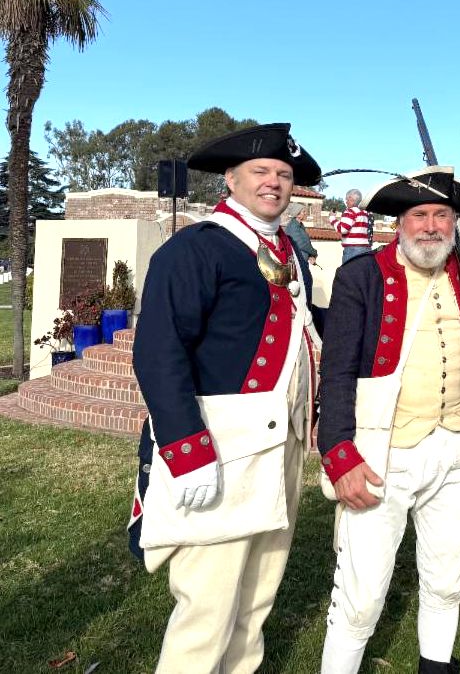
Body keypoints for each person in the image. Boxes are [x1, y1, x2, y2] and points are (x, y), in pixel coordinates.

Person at [127, 123, 324, 674]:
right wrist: (186, 450)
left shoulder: (288, 252)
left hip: (281, 447)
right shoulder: (196, 248)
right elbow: (159, 350)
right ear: (231, 179)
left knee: (257, 598)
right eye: (261, 171)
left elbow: (298, 324)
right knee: (207, 611)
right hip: (221, 449)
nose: (274, 182)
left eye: (283, 174)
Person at [318, 165, 460, 674]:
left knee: (447, 579)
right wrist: (339, 455)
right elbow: (337, 372)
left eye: (442, 215)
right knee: (361, 594)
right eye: (420, 215)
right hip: (384, 451)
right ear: (400, 222)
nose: (431, 226)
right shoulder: (362, 277)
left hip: (459, 444)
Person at [330, 188, 373, 261]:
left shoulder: (350, 211)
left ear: (351, 199)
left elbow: (343, 229)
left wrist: (332, 218)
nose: (346, 201)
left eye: (347, 199)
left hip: (353, 249)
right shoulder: (366, 213)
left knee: (349, 268)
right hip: (366, 249)